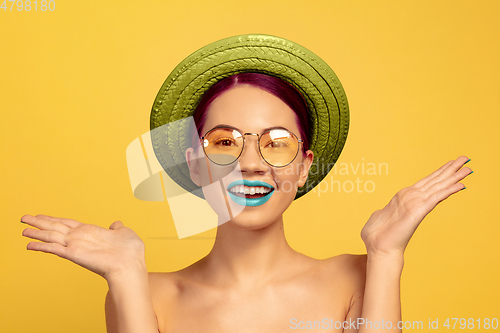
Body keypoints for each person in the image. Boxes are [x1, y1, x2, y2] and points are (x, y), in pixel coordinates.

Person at [20, 35, 472, 333]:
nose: (251, 164)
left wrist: (387, 254)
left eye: (277, 143)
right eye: (224, 142)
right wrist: (125, 275)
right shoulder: (147, 292)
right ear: (194, 166)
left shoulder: (359, 276)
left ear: (303, 166)